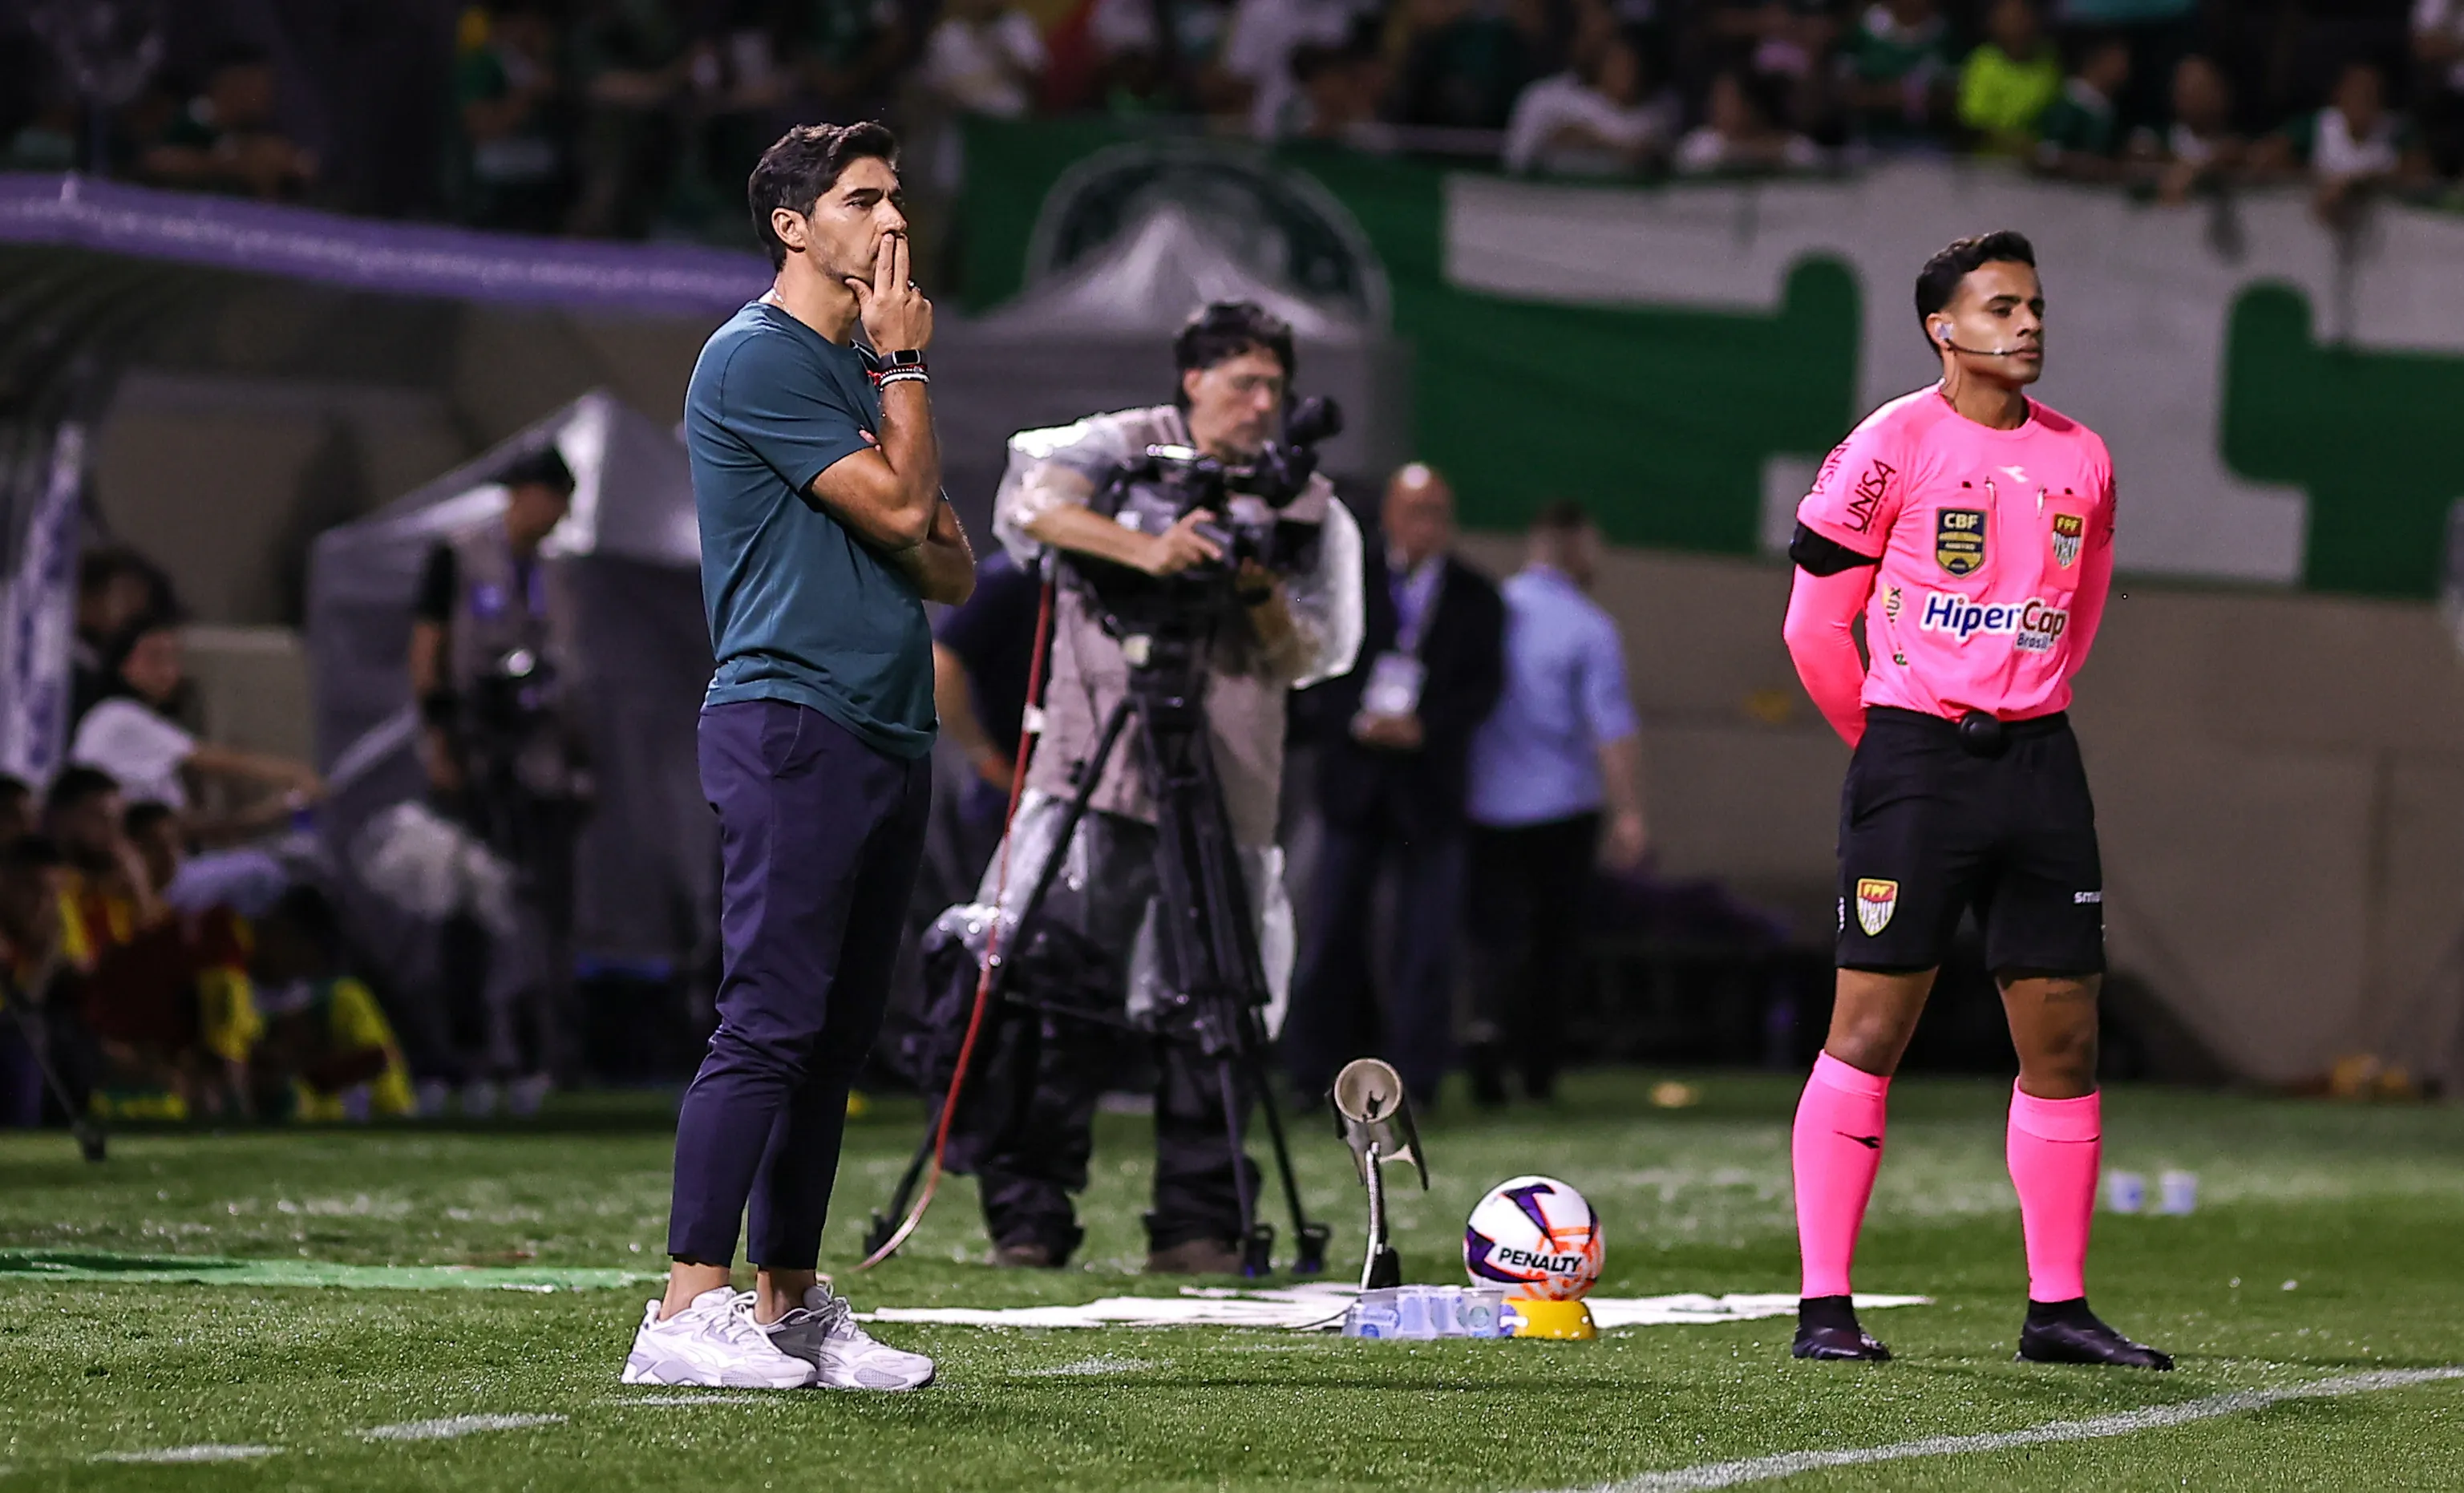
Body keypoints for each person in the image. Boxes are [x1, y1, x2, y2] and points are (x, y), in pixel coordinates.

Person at [1778, 229, 2167, 1370]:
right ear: (1941, 328)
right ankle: (1824, 1306)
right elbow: (1812, 626)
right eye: (2000, 307)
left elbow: (2080, 608)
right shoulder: (1887, 446)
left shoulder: (2082, 457)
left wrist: (2023, 699)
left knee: (2064, 1034)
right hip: (1914, 758)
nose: (2029, 324)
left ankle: (2056, 1308)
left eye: (2035, 305)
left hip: (2040, 760)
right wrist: (1889, 744)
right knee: (1872, 1025)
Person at [625, 120, 972, 1393]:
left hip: (883, 722)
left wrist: (896, 403)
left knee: (833, 1038)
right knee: (768, 1018)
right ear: (793, 225)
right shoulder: (760, 357)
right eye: (863, 199)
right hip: (791, 716)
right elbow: (900, 512)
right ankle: (683, 1307)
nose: (893, 223)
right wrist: (909, 371)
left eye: (898, 197)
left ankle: (787, 1305)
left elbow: (954, 559)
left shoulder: (861, 371)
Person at [945, 299, 1361, 1273]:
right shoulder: (1119, 447)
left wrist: (1252, 584)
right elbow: (1031, 509)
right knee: (1051, 990)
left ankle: (1199, 1221)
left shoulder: (1299, 496)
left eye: (1274, 386)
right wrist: (1152, 548)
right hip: (1096, 764)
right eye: (1243, 382)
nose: (1262, 404)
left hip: (1227, 778)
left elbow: (1314, 648)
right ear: (1193, 381)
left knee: (1210, 1006)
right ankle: (1030, 1217)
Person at [1285, 462, 1501, 1110]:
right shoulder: (1349, 582)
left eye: (1437, 512)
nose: (1426, 525)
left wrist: (1424, 728)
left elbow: (1481, 690)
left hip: (1428, 793)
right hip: (1352, 786)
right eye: (1415, 511)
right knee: (1329, 934)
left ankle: (1418, 1080)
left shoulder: (1474, 596)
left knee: (1426, 945)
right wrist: (1356, 719)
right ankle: (1313, 1075)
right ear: (1389, 515)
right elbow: (1316, 670)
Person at [407, 443, 585, 1107]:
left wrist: (576, 760)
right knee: (466, 907)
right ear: (526, 493)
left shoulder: (554, 570)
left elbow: (567, 671)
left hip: (537, 758)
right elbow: (427, 651)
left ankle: (540, 1049)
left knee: (541, 908)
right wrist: (440, 744)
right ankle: (461, 1049)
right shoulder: (459, 554)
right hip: (475, 747)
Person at [1460, 502, 1645, 1107]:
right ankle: (1537, 1068)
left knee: (1492, 938)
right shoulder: (1588, 627)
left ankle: (1485, 1030)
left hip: (1486, 803)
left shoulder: (1494, 611)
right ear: (1572, 544)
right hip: (1561, 807)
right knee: (1552, 945)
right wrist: (1628, 811)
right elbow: (1610, 727)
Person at [69, 616, 322, 836]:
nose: (167, 671)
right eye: (154, 658)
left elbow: (191, 825)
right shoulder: (118, 716)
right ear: (122, 665)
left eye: (173, 659)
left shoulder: (142, 725)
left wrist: (268, 811)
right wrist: (295, 773)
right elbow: (219, 760)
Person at [2255, 61, 2434, 230]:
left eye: (2371, 95)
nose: (2362, 102)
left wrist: (2353, 184)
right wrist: (2313, 180)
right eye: (2355, 93)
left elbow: (2419, 177)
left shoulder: (2397, 132)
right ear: (2339, 94)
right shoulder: (2317, 126)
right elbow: (2266, 158)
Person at [1503, 32, 1675, 176]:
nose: (1624, 73)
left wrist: (1600, 142)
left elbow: (1651, 153)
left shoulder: (1653, 116)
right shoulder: (1574, 103)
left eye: (1629, 66)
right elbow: (1555, 140)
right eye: (1616, 64)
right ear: (1601, 67)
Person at [1956, 0, 2061, 157]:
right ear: (1992, 22)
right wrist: (2016, 143)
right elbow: (1975, 124)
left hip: (2041, 162)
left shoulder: (2050, 61)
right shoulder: (1983, 62)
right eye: (2009, 17)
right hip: (1988, 163)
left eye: (2023, 15)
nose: (2017, 24)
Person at [2031, 35, 2131, 180]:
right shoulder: (2068, 105)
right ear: (2094, 60)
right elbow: (2046, 155)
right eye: (2116, 61)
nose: (2124, 68)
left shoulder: (2106, 109)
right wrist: (2087, 164)